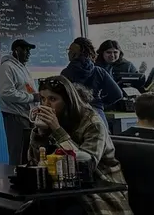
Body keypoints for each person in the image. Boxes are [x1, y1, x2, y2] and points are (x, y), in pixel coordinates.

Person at [29, 76, 132, 215]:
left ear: (68, 101)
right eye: (42, 99)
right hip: (59, 190)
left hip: (98, 192)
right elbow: (35, 164)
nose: (46, 105)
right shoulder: (55, 120)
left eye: (52, 99)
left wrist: (57, 130)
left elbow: (86, 167)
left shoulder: (93, 123)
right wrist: (41, 134)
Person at [0, 39, 40, 165]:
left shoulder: (23, 68)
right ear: (16, 50)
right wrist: (32, 98)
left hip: (28, 116)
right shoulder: (6, 68)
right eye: (25, 50)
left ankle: (26, 176)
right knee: (18, 153)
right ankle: (16, 176)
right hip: (15, 116)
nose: (28, 53)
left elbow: (28, 89)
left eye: (29, 50)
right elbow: (6, 93)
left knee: (27, 153)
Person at [61, 37, 123, 123]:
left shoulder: (65, 73)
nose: (68, 53)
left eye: (69, 51)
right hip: (97, 114)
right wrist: (100, 103)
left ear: (74, 54)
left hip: (75, 114)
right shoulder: (99, 71)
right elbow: (117, 94)